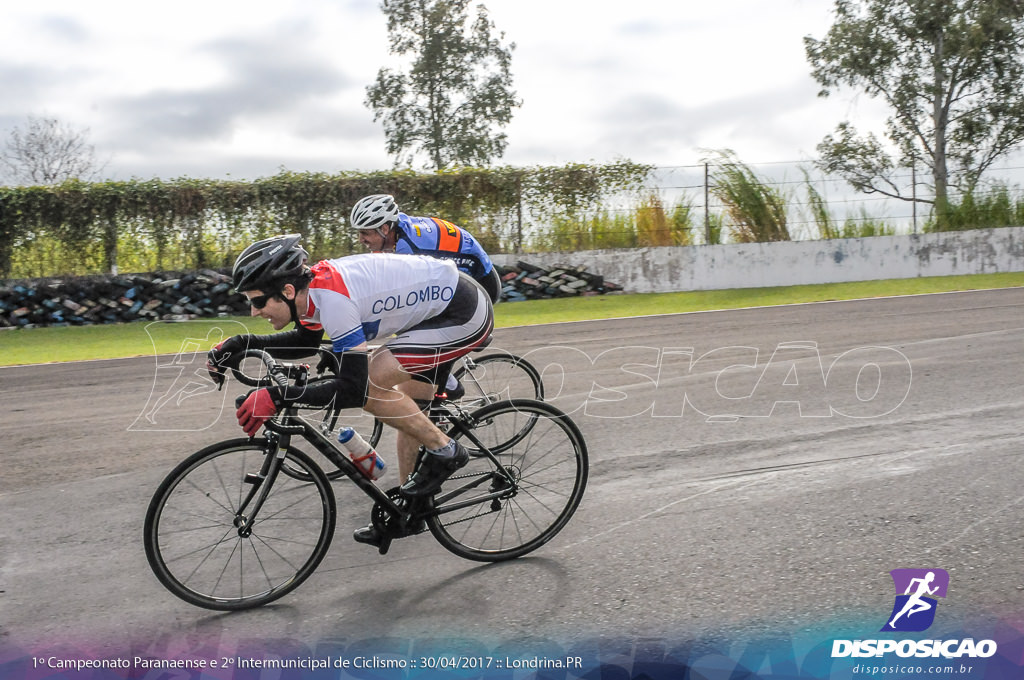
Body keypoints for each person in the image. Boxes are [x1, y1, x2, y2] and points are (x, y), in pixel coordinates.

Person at [206, 233, 494, 547]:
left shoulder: (332, 299)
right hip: (434, 314)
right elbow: (306, 341)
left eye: (258, 301)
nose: (253, 311)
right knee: (409, 409)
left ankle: (447, 451)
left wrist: (277, 397)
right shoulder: (312, 294)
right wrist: (241, 344)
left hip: (463, 314)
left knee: (371, 384)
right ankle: (409, 513)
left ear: (287, 291)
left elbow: (354, 391)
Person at [349, 193, 501, 399]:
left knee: (417, 330)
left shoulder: (409, 248)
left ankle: (445, 385)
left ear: (385, 229)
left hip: (480, 281)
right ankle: (438, 388)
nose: (361, 239)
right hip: (457, 275)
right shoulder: (395, 232)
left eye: (365, 233)